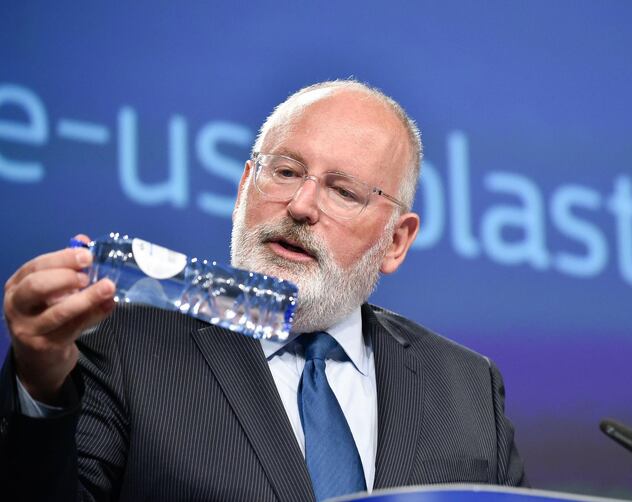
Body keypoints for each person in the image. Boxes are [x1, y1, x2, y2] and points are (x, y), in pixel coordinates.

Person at [0, 80, 527, 501]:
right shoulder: (122, 342)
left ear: (396, 241)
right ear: (242, 189)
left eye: (343, 191)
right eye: (285, 171)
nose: (301, 204)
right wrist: (41, 387)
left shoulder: (465, 387)